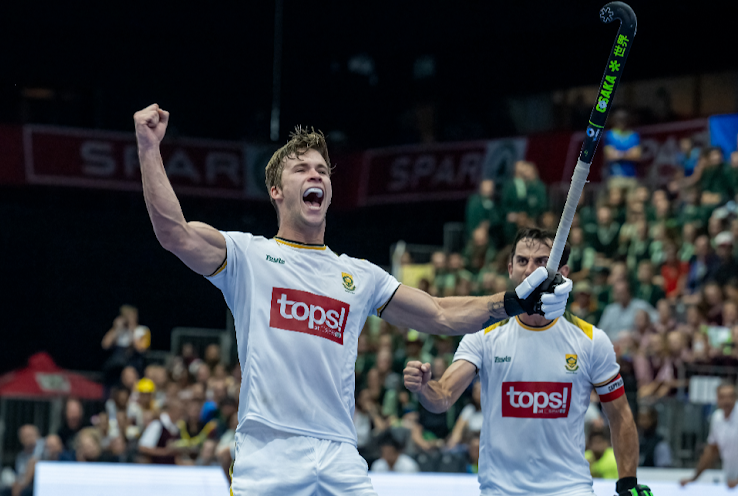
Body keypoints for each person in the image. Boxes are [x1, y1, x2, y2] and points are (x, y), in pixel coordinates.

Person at [134, 105, 572, 495]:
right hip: (269, 452)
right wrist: (149, 147)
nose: (316, 175)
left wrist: (513, 302)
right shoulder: (247, 256)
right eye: (302, 169)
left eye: (323, 170)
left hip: (339, 454)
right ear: (276, 191)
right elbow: (175, 233)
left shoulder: (359, 276)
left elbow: (440, 313)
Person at [404, 227, 650, 496]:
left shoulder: (592, 340)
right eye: (522, 261)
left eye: (541, 262)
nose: (530, 269)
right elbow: (442, 398)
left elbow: (620, 414)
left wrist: (627, 484)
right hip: (500, 491)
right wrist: (423, 387)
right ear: (510, 269)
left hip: (569, 489)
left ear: (563, 273)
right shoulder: (483, 336)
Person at [680, 382, 738, 489]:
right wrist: (694, 478)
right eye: (722, 397)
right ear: (717, 399)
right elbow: (711, 452)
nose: (727, 401)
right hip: (731, 481)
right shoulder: (717, 418)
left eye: (730, 397)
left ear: (735, 398)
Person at [603, 109, 641, 190]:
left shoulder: (634, 135)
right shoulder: (609, 135)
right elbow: (609, 156)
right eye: (619, 120)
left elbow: (637, 155)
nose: (621, 122)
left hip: (631, 176)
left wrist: (618, 154)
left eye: (623, 120)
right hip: (614, 176)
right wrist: (628, 154)